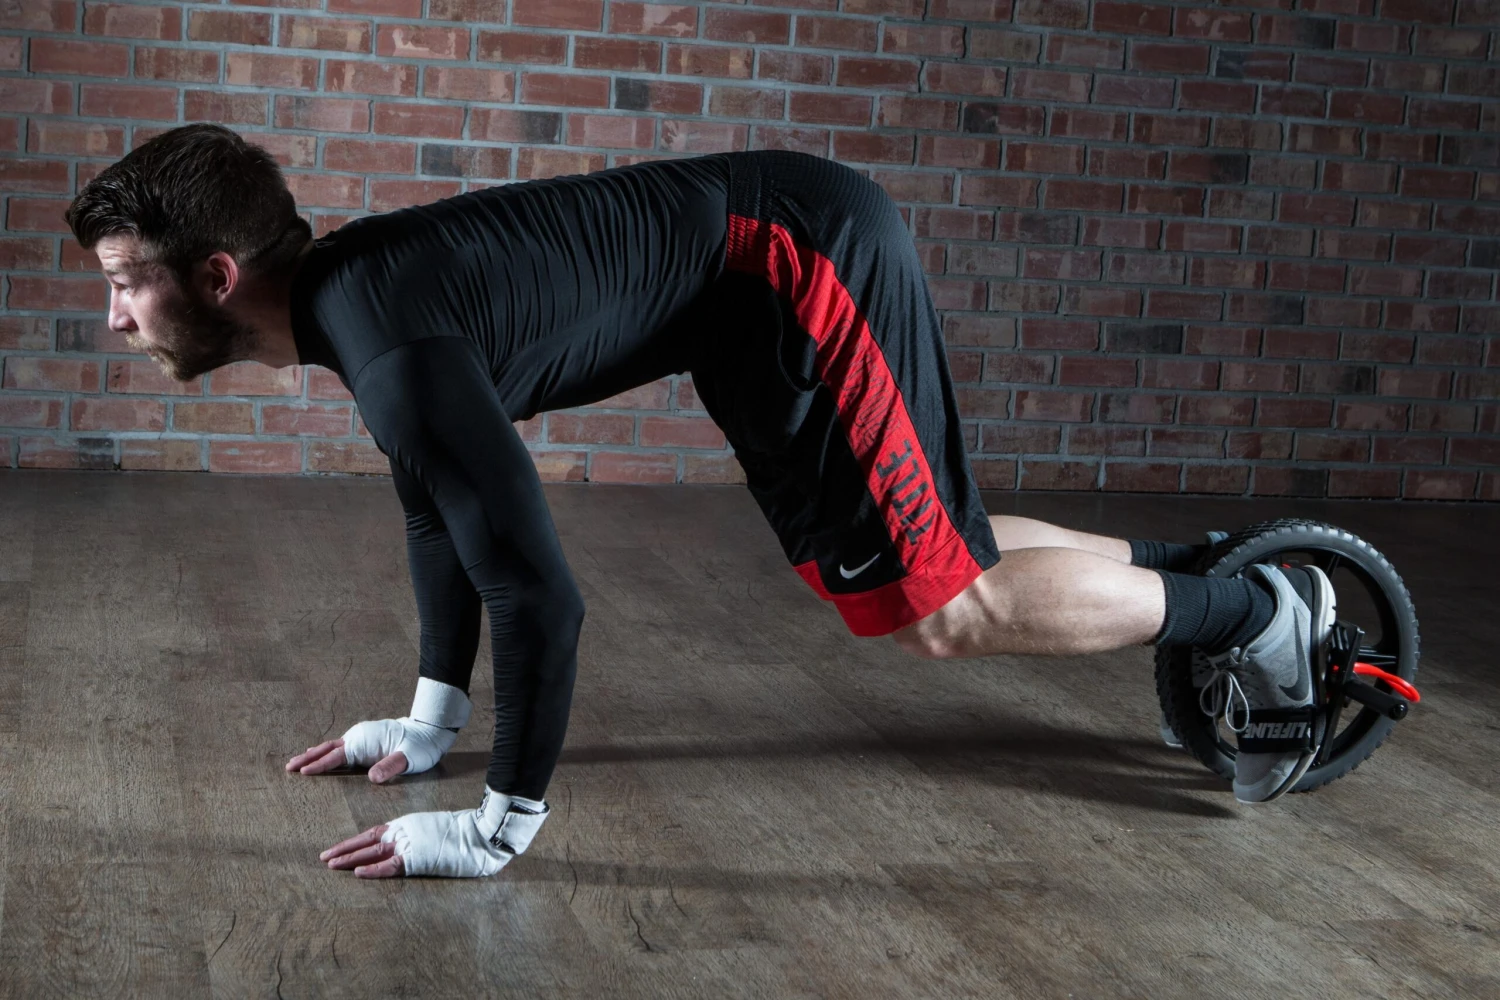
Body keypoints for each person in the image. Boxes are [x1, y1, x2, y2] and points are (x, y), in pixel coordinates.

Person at [66, 124, 1334, 879]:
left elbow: (542, 597)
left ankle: (1260, 613)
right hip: (740, 299)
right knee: (892, 559)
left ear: (216, 275)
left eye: (126, 282)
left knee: (938, 607)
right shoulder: (359, 311)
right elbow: (437, 512)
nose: (117, 315)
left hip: (795, 259)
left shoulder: (385, 346)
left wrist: (501, 824)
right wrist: (431, 718)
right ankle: (1207, 570)